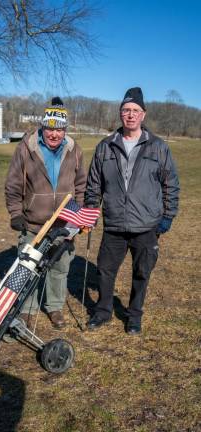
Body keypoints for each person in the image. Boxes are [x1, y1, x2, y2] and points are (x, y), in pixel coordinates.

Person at [85, 87, 180, 335]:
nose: (130, 115)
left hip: (146, 225)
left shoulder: (158, 147)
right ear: (120, 113)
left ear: (143, 115)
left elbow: (171, 183)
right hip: (115, 224)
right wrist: (91, 211)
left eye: (135, 110)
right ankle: (103, 311)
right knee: (105, 271)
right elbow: (94, 184)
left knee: (142, 272)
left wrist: (168, 215)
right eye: (126, 110)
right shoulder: (105, 147)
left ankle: (134, 316)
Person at [5, 97, 87, 329]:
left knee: (59, 269)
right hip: (33, 224)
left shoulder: (75, 150)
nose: (54, 134)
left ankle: (55, 307)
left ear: (65, 130)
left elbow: (81, 187)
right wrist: (15, 213)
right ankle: (27, 310)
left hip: (62, 223)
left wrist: (77, 217)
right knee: (28, 268)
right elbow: (12, 185)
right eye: (50, 127)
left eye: (59, 129)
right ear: (43, 127)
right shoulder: (26, 148)